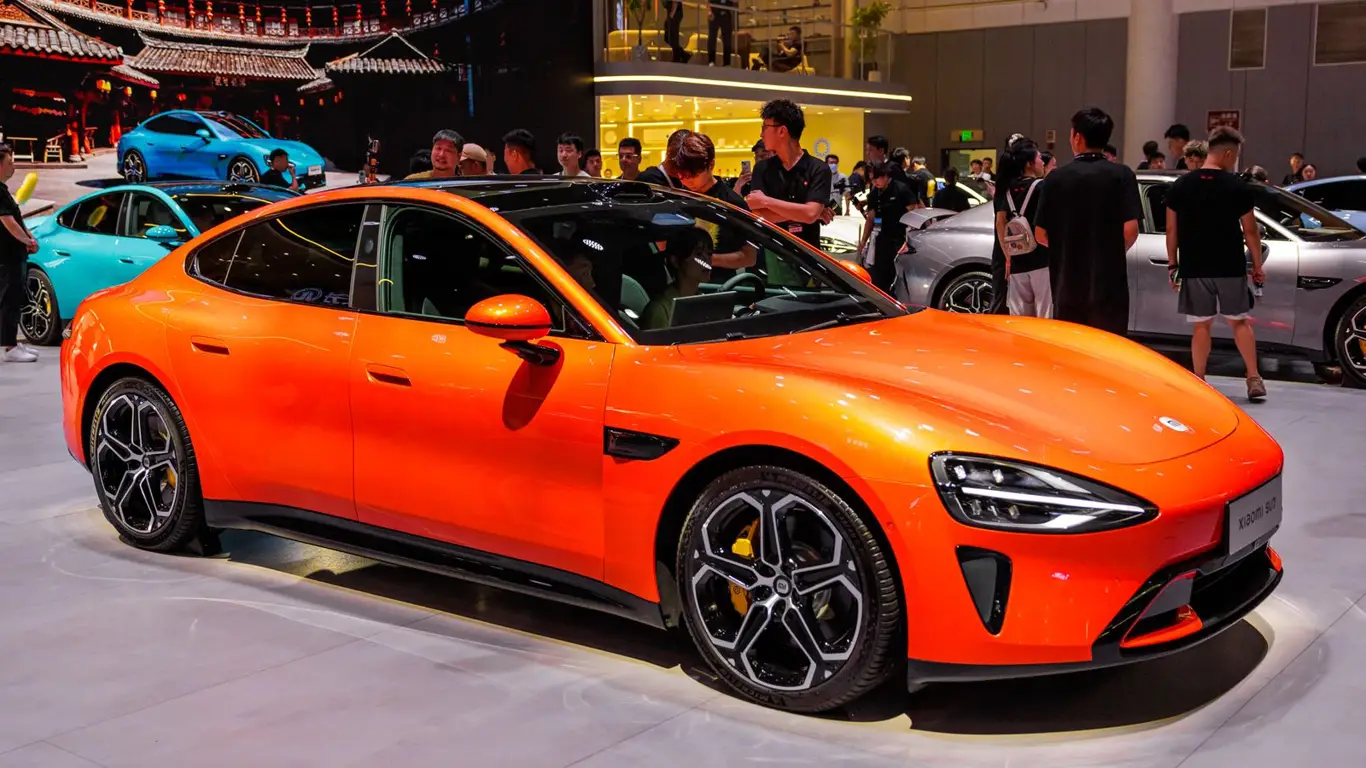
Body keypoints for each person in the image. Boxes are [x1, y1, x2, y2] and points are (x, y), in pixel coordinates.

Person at [1165, 126, 1266, 400]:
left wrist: (1173, 265)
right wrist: (1257, 265)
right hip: (1229, 266)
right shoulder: (1237, 187)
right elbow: (1250, 231)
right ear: (1228, 153)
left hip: (1195, 266)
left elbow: (1171, 230)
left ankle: (1199, 379)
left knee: (1201, 326)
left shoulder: (1181, 186)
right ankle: (1254, 378)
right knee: (1239, 323)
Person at [1034, 107, 1142, 336]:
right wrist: (1110, 252)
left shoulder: (1055, 178)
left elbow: (1040, 234)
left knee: (1072, 346)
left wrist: (1067, 248)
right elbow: (1131, 231)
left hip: (1067, 283)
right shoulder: (1123, 175)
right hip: (1110, 284)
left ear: (1077, 137)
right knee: (1109, 347)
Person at [746, 99, 832, 253]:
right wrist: (804, 213)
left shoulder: (819, 169)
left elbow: (810, 213)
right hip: (772, 252)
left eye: (765, 127)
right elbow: (759, 214)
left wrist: (766, 201)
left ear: (782, 131)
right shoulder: (762, 168)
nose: (761, 134)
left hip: (808, 257)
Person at [672, 131, 756, 280]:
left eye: (694, 174)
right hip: (679, 283)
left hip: (718, 286)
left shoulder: (732, 203)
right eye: (682, 175)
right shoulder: (678, 198)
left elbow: (749, 257)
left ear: (711, 164)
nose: (687, 180)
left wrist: (705, 259)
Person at [995, 138, 1051, 317]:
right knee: (1045, 317)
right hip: (1042, 261)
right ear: (1029, 164)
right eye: (1039, 158)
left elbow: (1000, 223)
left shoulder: (1007, 188)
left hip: (1017, 261)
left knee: (1020, 320)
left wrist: (1008, 258)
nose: (1042, 162)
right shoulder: (1042, 187)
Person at [1, 144, 39, 362]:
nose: (13, 166)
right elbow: (8, 222)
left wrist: (29, 237)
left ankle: (12, 343)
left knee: (14, 298)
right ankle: (9, 347)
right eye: (9, 162)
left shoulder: (3, 190)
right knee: (9, 300)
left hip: (14, 254)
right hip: (7, 256)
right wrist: (27, 241)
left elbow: (16, 219)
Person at [857, 160, 913, 292]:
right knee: (878, 276)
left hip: (900, 240)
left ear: (885, 175)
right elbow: (870, 219)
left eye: (876, 178)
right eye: (872, 179)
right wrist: (863, 242)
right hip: (880, 239)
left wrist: (910, 239)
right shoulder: (874, 194)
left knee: (898, 276)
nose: (874, 182)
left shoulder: (901, 189)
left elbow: (914, 213)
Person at [643, 227, 713, 330]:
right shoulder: (660, 309)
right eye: (698, 254)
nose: (707, 260)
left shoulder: (703, 301)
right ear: (675, 261)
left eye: (709, 253)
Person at [708, 0, 737, 66]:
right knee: (712, 38)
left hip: (726, 13)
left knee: (727, 40)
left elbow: (735, 3)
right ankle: (711, 61)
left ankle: (727, 63)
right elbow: (708, 1)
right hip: (714, 13)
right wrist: (709, 11)